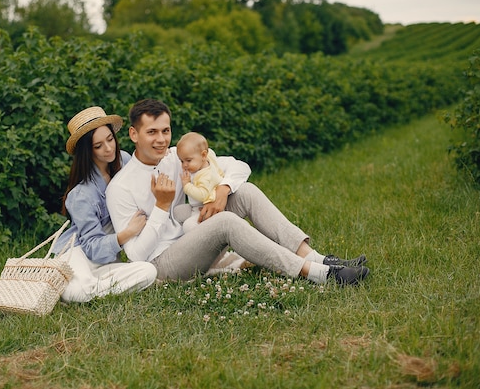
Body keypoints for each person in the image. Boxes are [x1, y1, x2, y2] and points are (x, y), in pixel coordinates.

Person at [106, 98, 369, 285]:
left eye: (165, 131)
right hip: (164, 264)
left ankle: (320, 259)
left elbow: (238, 166)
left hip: (194, 236)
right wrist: (161, 208)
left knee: (246, 192)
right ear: (133, 134)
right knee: (225, 223)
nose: (161, 140)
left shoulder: (177, 157)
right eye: (152, 132)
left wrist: (223, 189)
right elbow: (136, 256)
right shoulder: (120, 187)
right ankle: (318, 274)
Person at [51, 106, 157, 303]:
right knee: (79, 292)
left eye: (110, 139)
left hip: (107, 261)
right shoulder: (81, 195)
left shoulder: (125, 160)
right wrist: (128, 233)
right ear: (87, 151)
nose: (108, 148)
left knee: (149, 271)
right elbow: (91, 246)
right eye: (98, 146)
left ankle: (77, 289)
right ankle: (71, 287)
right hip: (78, 253)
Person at [175, 131, 227, 233]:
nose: (184, 165)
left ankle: (204, 237)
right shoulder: (208, 157)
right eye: (182, 161)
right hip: (194, 206)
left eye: (188, 160)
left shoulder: (206, 177)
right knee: (176, 212)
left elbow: (202, 195)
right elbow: (210, 151)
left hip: (204, 209)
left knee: (188, 226)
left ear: (203, 155)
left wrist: (187, 185)